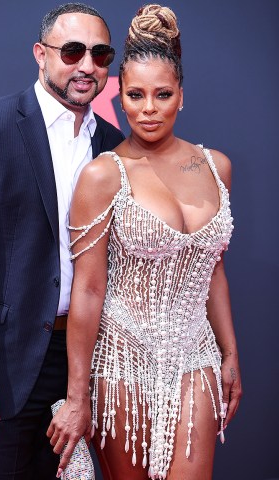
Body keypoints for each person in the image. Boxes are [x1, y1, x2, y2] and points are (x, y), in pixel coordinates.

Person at [0, 3, 124, 479]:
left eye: (100, 55)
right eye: (73, 51)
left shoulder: (114, 147)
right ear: (41, 54)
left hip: (83, 365)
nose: (86, 66)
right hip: (1, 364)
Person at [47, 4, 242, 479]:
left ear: (181, 96)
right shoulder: (102, 175)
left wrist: (230, 352)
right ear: (120, 96)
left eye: (162, 94)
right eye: (135, 95)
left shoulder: (217, 168)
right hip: (121, 356)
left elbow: (211, 268)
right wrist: (77, 396)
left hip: (196, 354)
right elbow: (88, 291)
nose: (148, 108)